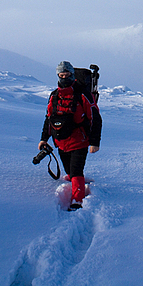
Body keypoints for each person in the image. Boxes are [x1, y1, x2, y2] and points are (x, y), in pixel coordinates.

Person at [38, 61, 102, 210]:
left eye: (67, 75)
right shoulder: (54, 95)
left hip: (80, 141)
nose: (64, 78)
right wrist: (43, 139)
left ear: (72, 76)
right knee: (69, 171)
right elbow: (49, 118)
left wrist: (94, 142)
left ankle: (76, 201)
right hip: (60, 141)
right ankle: (75, 180)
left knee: (76, 171)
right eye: (61, 75)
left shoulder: (82, 94)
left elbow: (95, 118)